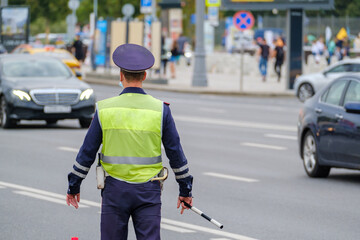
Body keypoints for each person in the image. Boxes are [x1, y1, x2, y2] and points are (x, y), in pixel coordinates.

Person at [66, 43, 193, 240]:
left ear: (120, 75)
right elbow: (175, 153)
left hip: (114, 190)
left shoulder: (105, 109)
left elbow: (87, 152)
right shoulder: (161, 110)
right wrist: (185, 189)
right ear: (144, 76)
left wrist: (74, 186)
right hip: (149, 191)